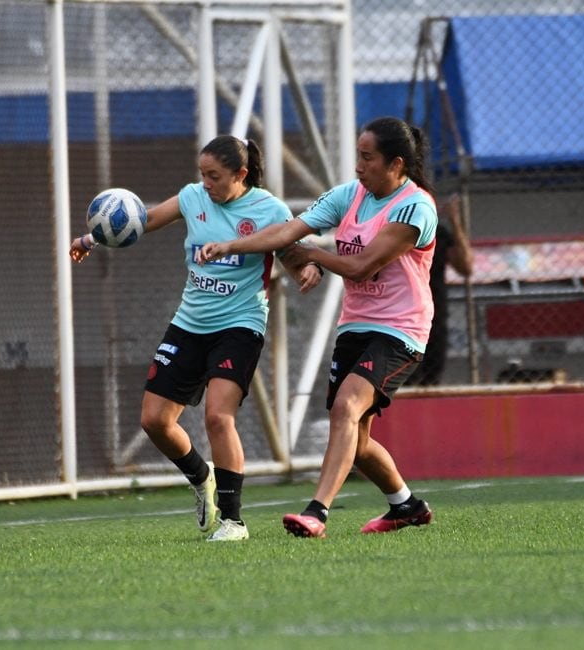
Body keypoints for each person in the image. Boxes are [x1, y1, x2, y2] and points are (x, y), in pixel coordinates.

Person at [70, 136, 322, 542]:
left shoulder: (269, 209)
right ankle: (200, 477)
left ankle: (233, 522)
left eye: (214, 176)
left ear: (241, 174)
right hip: (189, 324)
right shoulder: (193, 198)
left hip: (240, 326)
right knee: (154, 421)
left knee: (218, 418)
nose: (206, 183)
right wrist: (92, 238)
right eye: (202, 174)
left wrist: (308, 269)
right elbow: (144, 220)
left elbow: (292, 250)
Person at [199, 117, 439, 538]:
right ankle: (407, 505)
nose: (358, 166)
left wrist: (313, 255)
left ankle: (317, 512)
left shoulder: (414, 208)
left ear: (396, 164)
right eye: (358, 155)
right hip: (355, 326)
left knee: (346, 409)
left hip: (401, 330)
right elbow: (289, 231)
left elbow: (361, 266)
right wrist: (232, 245)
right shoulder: (349, 195)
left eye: (368, 157)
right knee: (355, 441)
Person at [403, 193, 473, 386]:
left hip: (433, 316)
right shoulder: (393, 234)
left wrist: (455, 222)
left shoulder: (438, 234)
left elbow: (466, 267)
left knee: (431, 378)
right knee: (404, 378)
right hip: (402, 319)